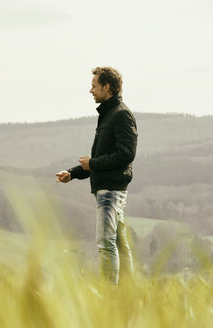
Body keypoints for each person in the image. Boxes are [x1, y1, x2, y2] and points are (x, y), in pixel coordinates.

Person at [55, 67, 138, 285]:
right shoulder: (109, 114)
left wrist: (92, 163)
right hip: (108, 188)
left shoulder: (121, 114)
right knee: (119, 242)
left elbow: (126, 154)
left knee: (105, 242)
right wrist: (72, 174)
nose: (90, 90)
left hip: (111, 190)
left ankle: (110, 293)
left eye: (94, 86)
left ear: (106, 87)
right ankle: (128, 291)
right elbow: (101, 159)